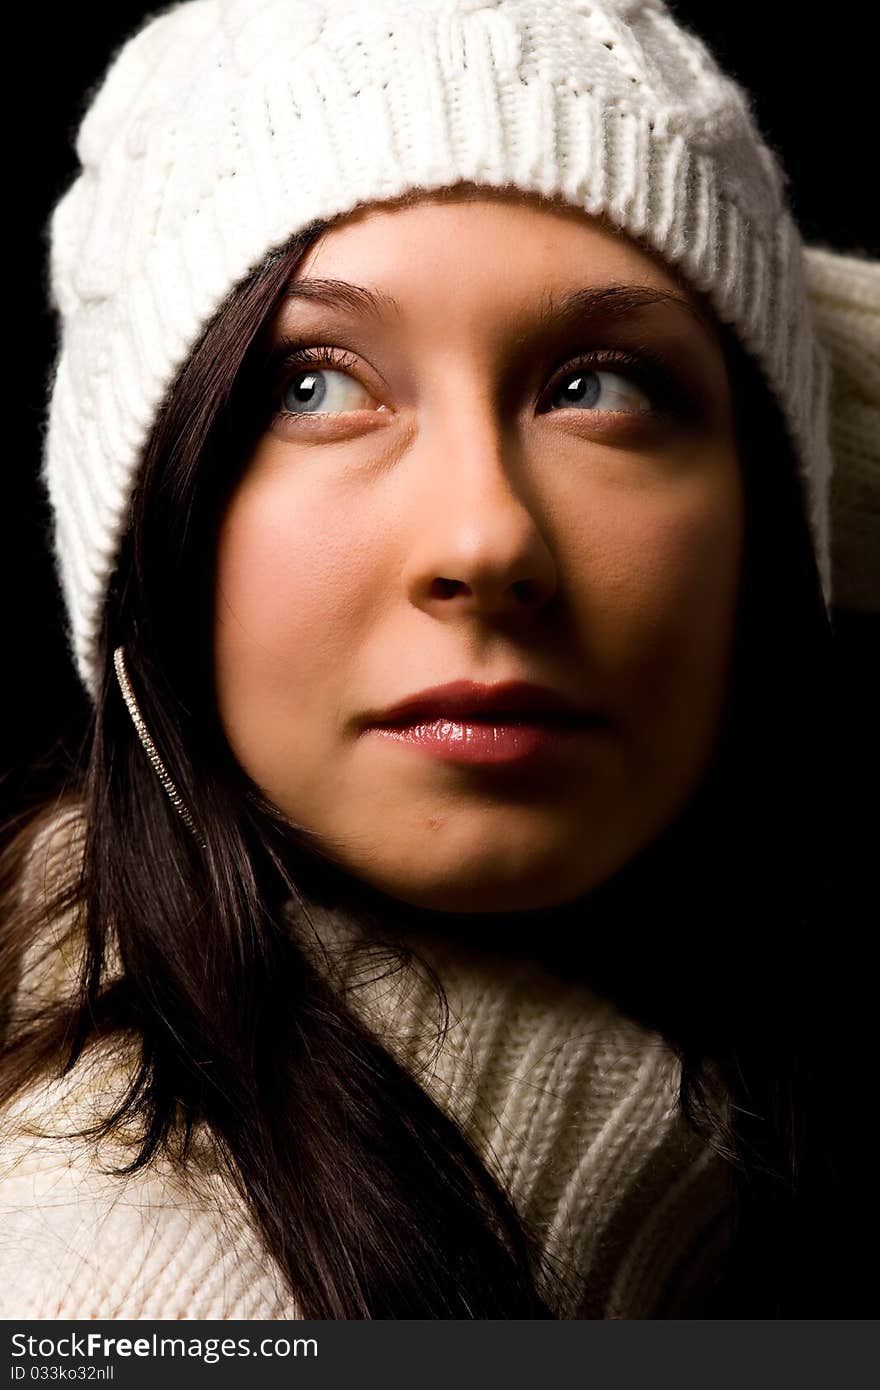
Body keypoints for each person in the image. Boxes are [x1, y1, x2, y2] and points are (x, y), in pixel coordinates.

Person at [1, 0, 876, 1320]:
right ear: (152, 540)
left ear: (768, 511)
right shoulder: (125, 1285)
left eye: (602, 386)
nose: (486, 537)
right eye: (314, 384)